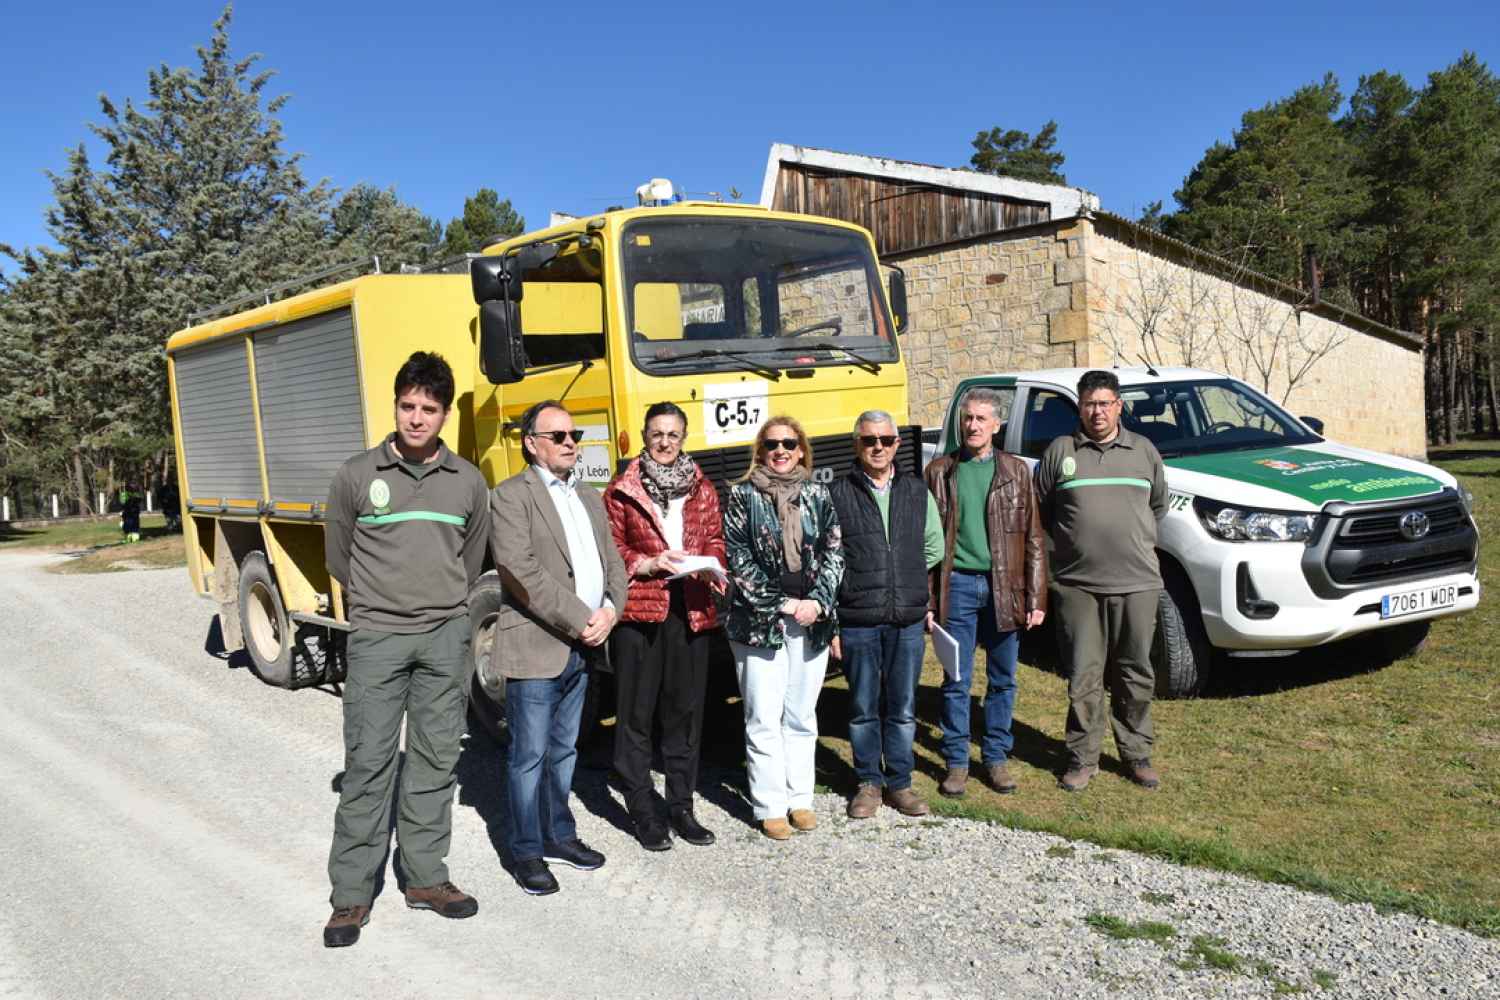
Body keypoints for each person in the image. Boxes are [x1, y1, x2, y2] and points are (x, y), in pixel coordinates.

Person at [321, 351, 490, 948]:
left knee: (434, 759)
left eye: (429, 409)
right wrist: (377, 606)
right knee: (368, 763)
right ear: (394, 407)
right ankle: (351, 895)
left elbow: (469, 558)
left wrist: (439, 605)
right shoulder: (356, 476)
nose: (416, 418)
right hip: (377, 639)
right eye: (407, 406)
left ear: (444, 415)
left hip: (444, 637)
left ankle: (425, 878)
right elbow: (338, 556)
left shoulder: (467, 481)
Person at [490, 400, 628, 895]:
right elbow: (520, 572)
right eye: (559, 436)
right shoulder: (511, 497)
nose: (572, 443)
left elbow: (613, 560)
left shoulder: (588, 496)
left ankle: (560, 835)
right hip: (539, 645)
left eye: (575, 435)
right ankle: (526, 850)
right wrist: (581, 618)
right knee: (528, 754)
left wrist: (611, 609)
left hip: (587, 645)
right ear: (531, 443)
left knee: (565, 749)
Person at [1034, 370, 1168, 792]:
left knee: (1135, 672)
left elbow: (1157, 506)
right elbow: (1040, 512)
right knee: (1084, 676)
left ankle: (1136, 752)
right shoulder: (1060, 451)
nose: (1097, 412)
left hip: (1137, 582)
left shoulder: (1143, 451)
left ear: (1119, 406)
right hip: (1078, 586)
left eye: (1105, 403)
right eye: (1090, 404)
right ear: (1080, 406)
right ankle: (1082, 757)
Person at [604, 402, 728, 852]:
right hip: (641, 612)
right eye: (657, 433)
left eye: (673, 434)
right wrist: (648, 562)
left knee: (685, 715)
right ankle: (642, 809)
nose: (664, 442)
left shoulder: (702, 487)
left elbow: (714, 536)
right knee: (636, 715)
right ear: (644, 435)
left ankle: (681, 805)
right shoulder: (622, 490)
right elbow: (611, 549)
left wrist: (712, 564)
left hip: (690, 608)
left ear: (684, 438)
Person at [723, 416, 844, 840]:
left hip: (810, 621)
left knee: (801, 714)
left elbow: (834, 552)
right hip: (760, 623)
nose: (780, 451)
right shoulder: (741, 496)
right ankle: (770, 805)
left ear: (801, 450)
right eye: (772, 444)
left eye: (789, 444)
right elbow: (738, 560)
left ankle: (801, 799)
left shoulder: (818, 494)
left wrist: (817, 602)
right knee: (763, 716)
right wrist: (785, 603)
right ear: (760, 450)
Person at [924, 387, 1047, 799]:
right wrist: (928, 601)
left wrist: (1036, 598)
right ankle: (957, 762)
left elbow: (1032, 539)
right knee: (955, 679)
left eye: (980, 418)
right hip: (955, 585)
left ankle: (995, 758)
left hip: (1004, 586)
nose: (972, 425)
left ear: (996, 425)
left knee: (1002, 679)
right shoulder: (939, 472)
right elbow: (924, 545)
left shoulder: (1016, 472)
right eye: (967, 418)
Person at [828, 411, 944, 819]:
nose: (877, 446)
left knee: (903, 706)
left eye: (885, 439)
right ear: (856, 445)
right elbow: (829, 560)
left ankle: (900, 783)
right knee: (862, 708)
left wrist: (906, 579)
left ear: (897, 444)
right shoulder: (837, 493)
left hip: (906, 618)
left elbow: (934, 547)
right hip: (857, 617)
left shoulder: (916, 489)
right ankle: (867, 783)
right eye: (868, 440)